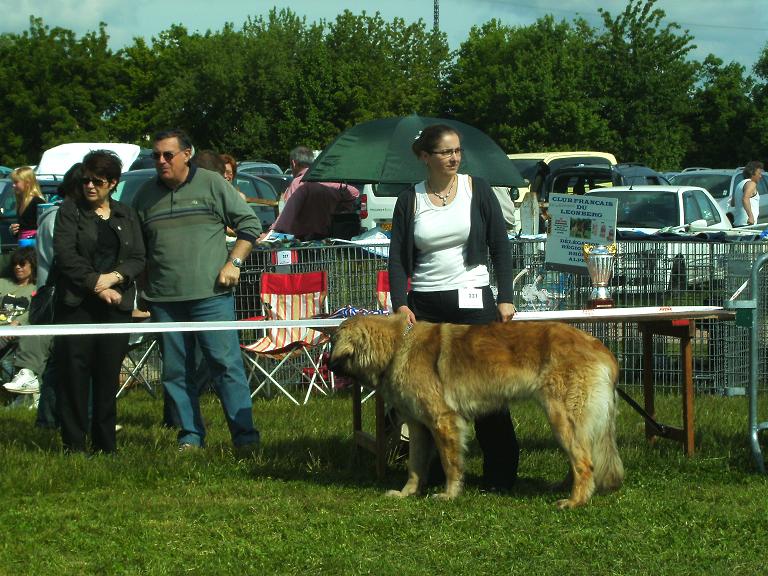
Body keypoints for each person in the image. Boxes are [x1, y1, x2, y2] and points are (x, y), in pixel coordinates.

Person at [388, 124, 520, 491]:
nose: (454, 157)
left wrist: (506, 296)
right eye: (446, 152)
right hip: (426, 306)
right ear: (425, 157)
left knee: (488, 389)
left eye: (457, 151)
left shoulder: (477, 190)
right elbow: (397, 258)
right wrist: (400, 303)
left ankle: (502, 473)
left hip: (475, 303)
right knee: (428, 397)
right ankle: (430, 474)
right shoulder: (409, 199)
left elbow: (500, 245)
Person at [132, 128, 261, 455]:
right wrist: (142, 287)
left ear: (186, 154)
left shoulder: (213, 184)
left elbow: (250, 225)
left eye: (167, 155)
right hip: (165, 301)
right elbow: (138, 248)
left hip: (211, 296)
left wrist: (234, 263)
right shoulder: (145, 195)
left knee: (226, 366)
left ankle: (245, 438)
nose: (160, 161)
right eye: (155, 155)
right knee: (176, 372)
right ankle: (190, 436)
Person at [52, 150, 145, 454]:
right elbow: (66, 256)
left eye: (98, 181)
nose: (90, 186)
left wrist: (116, 277)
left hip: (115, 307)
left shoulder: (126, 214)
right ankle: (74, 445)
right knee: (74, 375)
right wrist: (97, 284)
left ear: (113, 183)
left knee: (108, 376)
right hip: (76, 306)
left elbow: (138, 257)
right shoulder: (69, 211)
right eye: (86, 180)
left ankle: (106, 445)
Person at [268, 146, 359, 241]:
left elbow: (287, 216)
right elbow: (354, 192)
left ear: (294, 163)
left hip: (303, 240)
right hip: (328, 238)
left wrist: (272, 232)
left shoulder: (299, 183)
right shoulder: (327, 181)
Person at [0, 247, 38, 403]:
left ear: (32, 265)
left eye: (22, 264)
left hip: (20, 332)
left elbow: (35, 312)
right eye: (15, 264)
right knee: (4, 361)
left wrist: (18, 322)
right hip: (1, 330)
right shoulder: (2, 283)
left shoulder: (36, 288)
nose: (17, 267)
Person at [9, 166, 46, 241]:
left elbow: (44, 227)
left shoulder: (38, 202)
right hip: (24, 245)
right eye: (13, 182)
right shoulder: (21, 202)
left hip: (33, 247)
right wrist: (14, 230)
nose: (13, 185)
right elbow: (25, 227)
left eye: (16, 182)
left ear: (27, 183)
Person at [732, 161, 764, 226]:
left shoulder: (740, 184)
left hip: (738, 223)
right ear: (752, 173)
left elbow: (733, 203)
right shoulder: (751, 184)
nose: (760, 176)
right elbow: (745, 199)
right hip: (747, 224)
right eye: (759, 173)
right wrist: (751, 217)